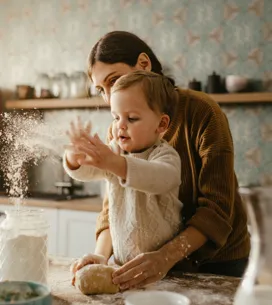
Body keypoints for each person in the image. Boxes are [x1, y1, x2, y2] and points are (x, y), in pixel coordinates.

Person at [71, 31, 250, 290]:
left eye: (115, 81)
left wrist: (166, 257)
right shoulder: (118, 130)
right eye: (101, 89)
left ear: (144, 64)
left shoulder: (203, 112)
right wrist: (101, 254)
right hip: (153, 264)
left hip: (218, 262)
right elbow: (114, 206)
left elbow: (217, 207)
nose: (109, 98)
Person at [65, 71, 184, 276]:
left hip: (164, 271)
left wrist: (115, 163)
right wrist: (74, 157)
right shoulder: (114, 152)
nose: (120, 125)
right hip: (121, 266)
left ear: (161, 124)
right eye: (116, 117)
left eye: (131, 118)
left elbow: (160, 178)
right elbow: (87, 171)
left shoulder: (166, 156)